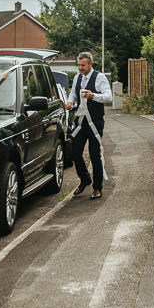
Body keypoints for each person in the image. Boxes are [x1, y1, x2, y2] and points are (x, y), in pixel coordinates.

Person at [65, 51, 111, 199]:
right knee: (74, 152)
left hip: (95, 122)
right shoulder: (77, 77)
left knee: (94, 154)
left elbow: (108, 97)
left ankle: (97, 188)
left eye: (83, 65)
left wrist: (93, 96)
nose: (80, 68)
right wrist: (70, 101)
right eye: (78, 65)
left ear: (90, 64)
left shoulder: (100, 78)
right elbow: (73, 93)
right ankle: (85, 179)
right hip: (80, 121)